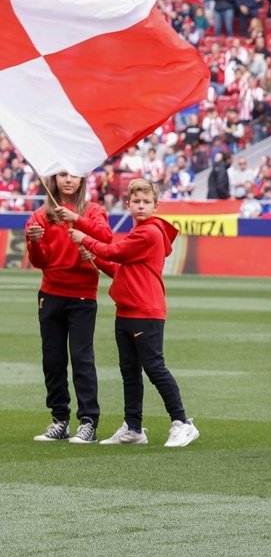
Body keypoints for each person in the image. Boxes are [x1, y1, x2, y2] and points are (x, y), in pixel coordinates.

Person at [70, 179, 200, 447]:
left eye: (146, 202)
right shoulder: (139, 231)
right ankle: (133, 427)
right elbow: (120, 269)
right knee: (129, 371)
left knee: (154, 368)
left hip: (146, 310)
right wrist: (94, 257)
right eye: (136, 202)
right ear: (128, 204)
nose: (141, 206)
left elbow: (115, 251)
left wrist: (87, 240)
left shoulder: (149, 232)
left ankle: (182, 423)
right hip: (128, 310)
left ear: (155, 206)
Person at [25, 172, 112, 443]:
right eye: (63, 174)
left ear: (82, 181)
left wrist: (77, 219)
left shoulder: (94, 211)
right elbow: (40, 261)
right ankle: (59, 420)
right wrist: (34, 241)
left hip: (83, 296)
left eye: (74, 175)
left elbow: (106, 237)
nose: (68, 180)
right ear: (54, 179)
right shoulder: (41, 215)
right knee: (53, 360)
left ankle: (88, 421)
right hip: (50, 294)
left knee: (81, 358)